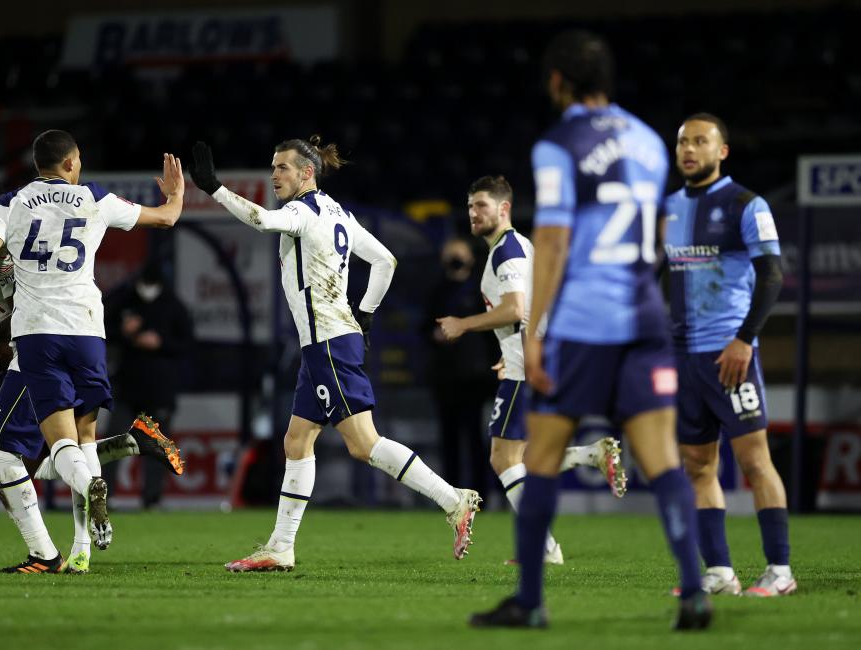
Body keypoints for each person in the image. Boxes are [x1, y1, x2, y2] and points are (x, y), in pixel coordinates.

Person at [470, 30, 710, 630]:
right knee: (661, 461)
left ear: (556, 82)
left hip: (580, 323)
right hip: (643, 316)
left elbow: (551, 240)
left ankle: (529, 600)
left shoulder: (559, 144)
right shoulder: (653, 143)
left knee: (539, 457)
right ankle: (695, 593)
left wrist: (535, 333)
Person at [189, 135, 481, 571]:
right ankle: (280, 547)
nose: (274, 174)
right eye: (272, 167)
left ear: (307, 172)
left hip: (327, 341)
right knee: (297, 440)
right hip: (328, 341)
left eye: (283, 167)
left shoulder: (303, 211)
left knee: (364, 444)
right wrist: (364, 315)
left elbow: (263, 221)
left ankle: (453, 499)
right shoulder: (337, 212)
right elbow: (385, 261)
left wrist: (213, 187)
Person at [0, 130, 186, 558]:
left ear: (38, 164)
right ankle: (83, 551)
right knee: (85, 438)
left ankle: (89, 487)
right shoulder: (92, 197)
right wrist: (176, 193)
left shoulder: (10, 203)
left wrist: (8, 264)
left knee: (60, 444)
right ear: (70, 164)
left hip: (38, 332)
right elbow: (167, 218)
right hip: (87, 329)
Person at [437, 175, 627, 566]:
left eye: (482, 205)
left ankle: (543, 549)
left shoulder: (506, 252)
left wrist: (463, 324)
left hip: (528, 365)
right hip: (531, 357)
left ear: (504, 208)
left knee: (503, 459)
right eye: (471, 206)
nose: (474, 213)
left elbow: (514, 308)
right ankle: (591, 457)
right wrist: (514, 348)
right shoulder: (518, 246)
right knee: (519, 456)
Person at [664, 113, 793, 597]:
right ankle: (719, 572)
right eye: (682, 142)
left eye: (700, 141)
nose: (689, 149)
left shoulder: (746, 204)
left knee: (755, 462)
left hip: (729, 355)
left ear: (722, 151)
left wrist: (745, 338)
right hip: (683, 359)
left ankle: (779, 570)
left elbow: (773, 275)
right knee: (697, 466)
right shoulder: (669, 208)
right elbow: (658, 275)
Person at [103, 261, 194, 509]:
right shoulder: (126, 301)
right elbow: (103, 330)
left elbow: (187, 343)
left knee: (156, 448)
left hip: (159, 389)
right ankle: (104, 495)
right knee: (114, 442)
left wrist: (161, 343)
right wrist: (125, 332)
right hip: (127, 387)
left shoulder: (173, 306)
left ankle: (151, 499)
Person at [423, 237, 496, 500]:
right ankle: (451, 498)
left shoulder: (480, 290)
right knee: (449, 440)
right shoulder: (437, 292)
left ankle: (481, 497)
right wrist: (434, 335)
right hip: (446, 377)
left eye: (459, 254)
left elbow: (491, 331)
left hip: (475, 378)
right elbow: (422, 329)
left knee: (477, 439)